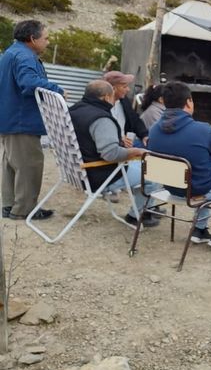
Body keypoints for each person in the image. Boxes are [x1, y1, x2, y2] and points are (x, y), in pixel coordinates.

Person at [149, 81, 211, 251]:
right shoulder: (202, 130)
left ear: (164, 102)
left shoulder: (154, 129)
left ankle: (199, 230)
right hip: (196, 188)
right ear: (188, 102)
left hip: (171, 186)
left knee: (202, 170)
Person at [69, 80, 162, 227]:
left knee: (143, 169)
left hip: (76, 172)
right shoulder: (101, 119)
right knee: (154, 172)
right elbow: (111, 154)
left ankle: (147, 207)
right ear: (107, 97)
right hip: (100, 175)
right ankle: (138, 215)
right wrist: (136, 151)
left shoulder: (74, 110)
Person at [0, 20, 63, 220]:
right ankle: (24, 210)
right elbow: (29, 83)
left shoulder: (11, 53)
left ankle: (10, 205)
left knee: (12, 164)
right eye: (45, 38)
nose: (48, 42)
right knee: (29, 165)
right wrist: (58, 90)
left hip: (10, 118)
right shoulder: (25, 56)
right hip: (22, 121)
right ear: (32, 39)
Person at [103, 71, 148, 146]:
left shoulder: (124, 101)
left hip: (123, 147)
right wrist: (118, 139)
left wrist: (144, 135)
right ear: (113, 89)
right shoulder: (100, 106)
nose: (128, 89)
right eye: (124, 87)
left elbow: (134, 118)